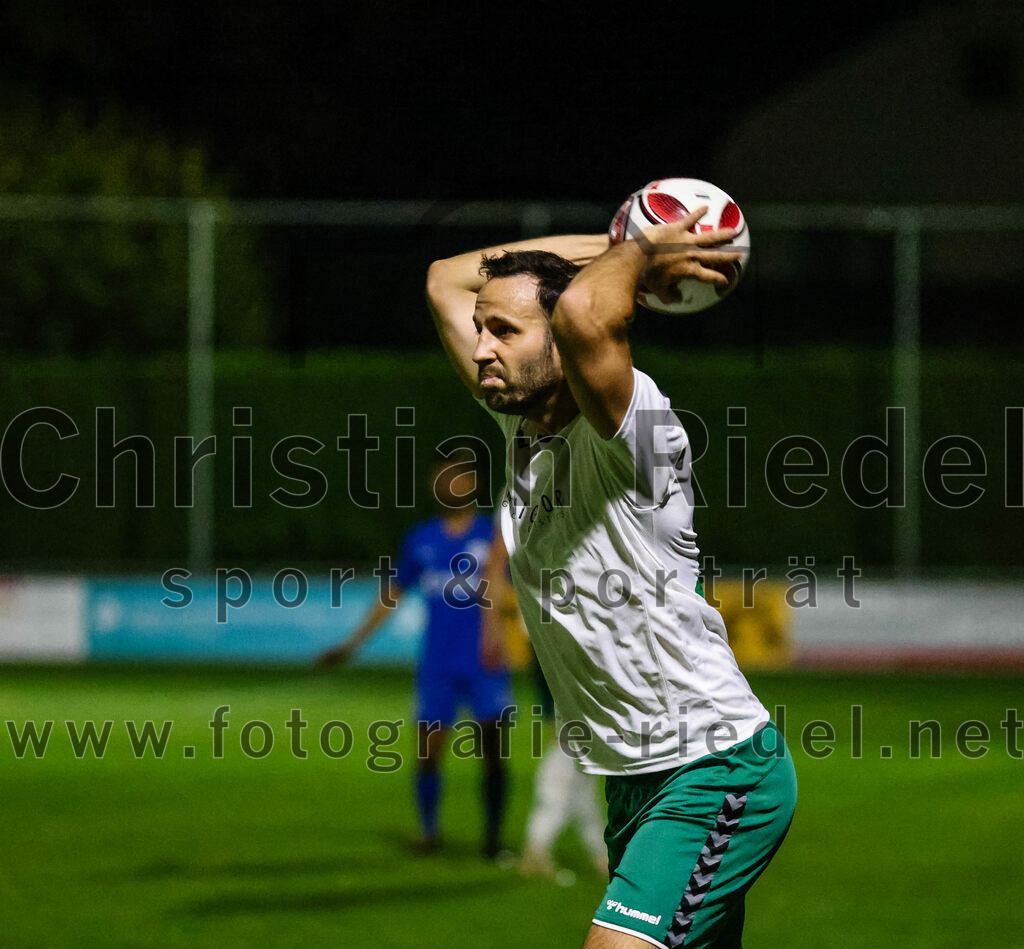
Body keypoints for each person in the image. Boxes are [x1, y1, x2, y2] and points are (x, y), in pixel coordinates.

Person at [425, 214, 797, 948]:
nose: (480, 346)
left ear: (561, 347)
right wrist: (623, 241)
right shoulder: (521, 427)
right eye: (479, 327)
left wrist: (639, 253)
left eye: (503, 329)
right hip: (633, 782)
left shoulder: (634, 432)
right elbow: (444, 276)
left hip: (715, 770)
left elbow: (586, 313)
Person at [318, 454, 513, 859]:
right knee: (427, 751)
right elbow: (394, 592)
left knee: (493, 752)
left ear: (472, 483)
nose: (446, 481)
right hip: (437, 664)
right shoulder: (422, 539)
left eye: (456, 474)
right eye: (439, 474)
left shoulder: (494, 536)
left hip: (485, 662)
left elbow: (516, 593)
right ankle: (429, 831)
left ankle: (493, 842)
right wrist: (353, 643)